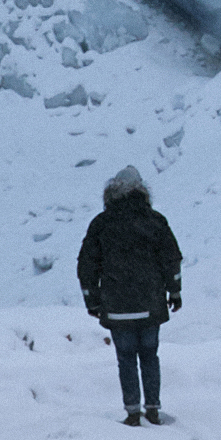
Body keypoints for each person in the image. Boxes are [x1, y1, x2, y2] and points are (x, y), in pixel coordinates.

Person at [76, 166, 182, 426]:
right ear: (142, 191)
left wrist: (92, 300)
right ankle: (153, 409)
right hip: (150, 303)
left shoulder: (101, 224)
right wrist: (175, 290)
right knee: (149, 356)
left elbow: (86, 266)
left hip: (116, 306)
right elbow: (171, 259)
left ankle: (133, 412)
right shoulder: (155, 221)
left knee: (125, 359)